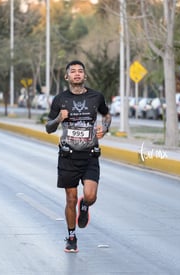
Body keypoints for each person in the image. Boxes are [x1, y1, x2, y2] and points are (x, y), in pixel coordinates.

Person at [45, 60, 112, 253]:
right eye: (72, 71)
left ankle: (86, 206)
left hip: (90, 154)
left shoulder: (96, 97)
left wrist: (105, 129)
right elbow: (49, 128)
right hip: (68, 156)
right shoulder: (59, 100)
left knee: (90, 195)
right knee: (70, 199)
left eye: (80, 71)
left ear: (85, 76)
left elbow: (107, 116)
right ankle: (71, 236)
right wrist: (59, 118)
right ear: (67, 77)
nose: (76, 74)